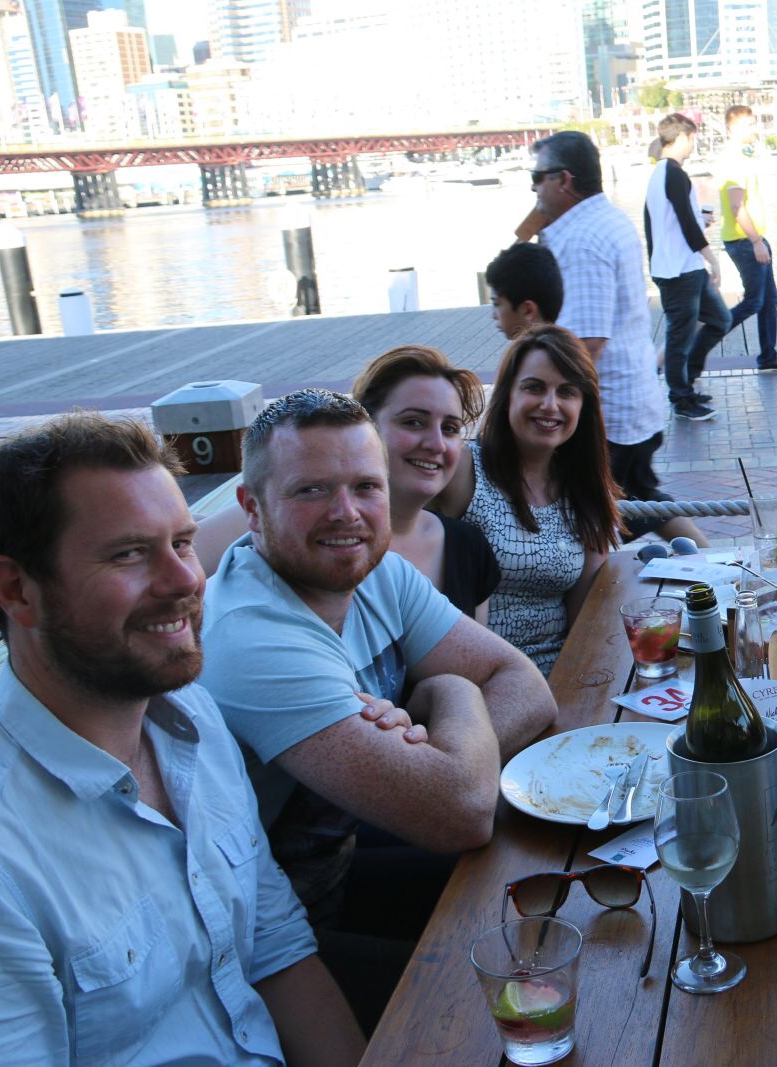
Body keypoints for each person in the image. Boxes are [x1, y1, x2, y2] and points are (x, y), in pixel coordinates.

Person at [0, 413, 365, 1065]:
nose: (186, 580)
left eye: (182, 542)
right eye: (128, 553)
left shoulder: (189, 714)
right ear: (17, 591)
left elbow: (276, 949)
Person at [200, 389, 555, 1024]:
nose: (347, 513)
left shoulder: (374, 573)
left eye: (366, 487)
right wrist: (450, 692)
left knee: (545, 891)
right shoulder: (252, 635)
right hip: (261, 947)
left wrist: (448, 757)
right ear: (252, 507)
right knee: (492, 1005)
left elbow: (525, 686)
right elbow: (460, 811)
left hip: (344, 862)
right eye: (311, 490)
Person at [194, 347, 500, 621]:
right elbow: (182, 556)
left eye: (450, 428)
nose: (436, 443)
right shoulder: (289, 516)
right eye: (413, 422)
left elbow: (475, 660)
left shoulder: (468, 547)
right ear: (366, 428)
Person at [529, 130, 707, 546]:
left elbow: (586, 344)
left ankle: (608, 586)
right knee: (641, 502)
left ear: (564, 180)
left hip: (607, 417)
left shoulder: (582, 239)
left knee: (589, 525)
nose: (534, 188)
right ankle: (714, 561)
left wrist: (540, 402)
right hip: (632, 405)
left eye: (537, 177)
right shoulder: (604, 220)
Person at [436, 325, 621, 675]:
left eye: (567, 392)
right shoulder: (463, 468)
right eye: (534, 387)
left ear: (583, 405)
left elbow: (585, 618)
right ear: (507, 394)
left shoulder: (584, 490)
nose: (550, 405)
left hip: (562, 676)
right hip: (478, 677)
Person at [645, 112, 732, 421]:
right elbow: (685, 223)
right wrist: (713, 258)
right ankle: (681, 398)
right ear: (681, 137)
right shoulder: (673, 174)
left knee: (720, 320)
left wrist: (700, 221)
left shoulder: (660, 174)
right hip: (678, 271)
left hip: (682, 266)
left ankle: (687, 382)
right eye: (693, 138)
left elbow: (666, 223)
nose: (694, 144)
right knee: (679, 338)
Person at [719, 105, 777, 373]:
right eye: (748, 125)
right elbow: (736, 206)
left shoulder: (742, 158)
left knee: (768, 300)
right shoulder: (734, 161)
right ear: (732, 128)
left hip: (752, 239)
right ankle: (701, 341)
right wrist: (755, 242)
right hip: (744, 241)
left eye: (754, 123)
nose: (754, 128)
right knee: (754, 301)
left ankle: (768, 356)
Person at [487, 241, 564, 339]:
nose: (493, 315)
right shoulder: (565, 345)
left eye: (496, 304)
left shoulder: (533, 348)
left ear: (528, 311)